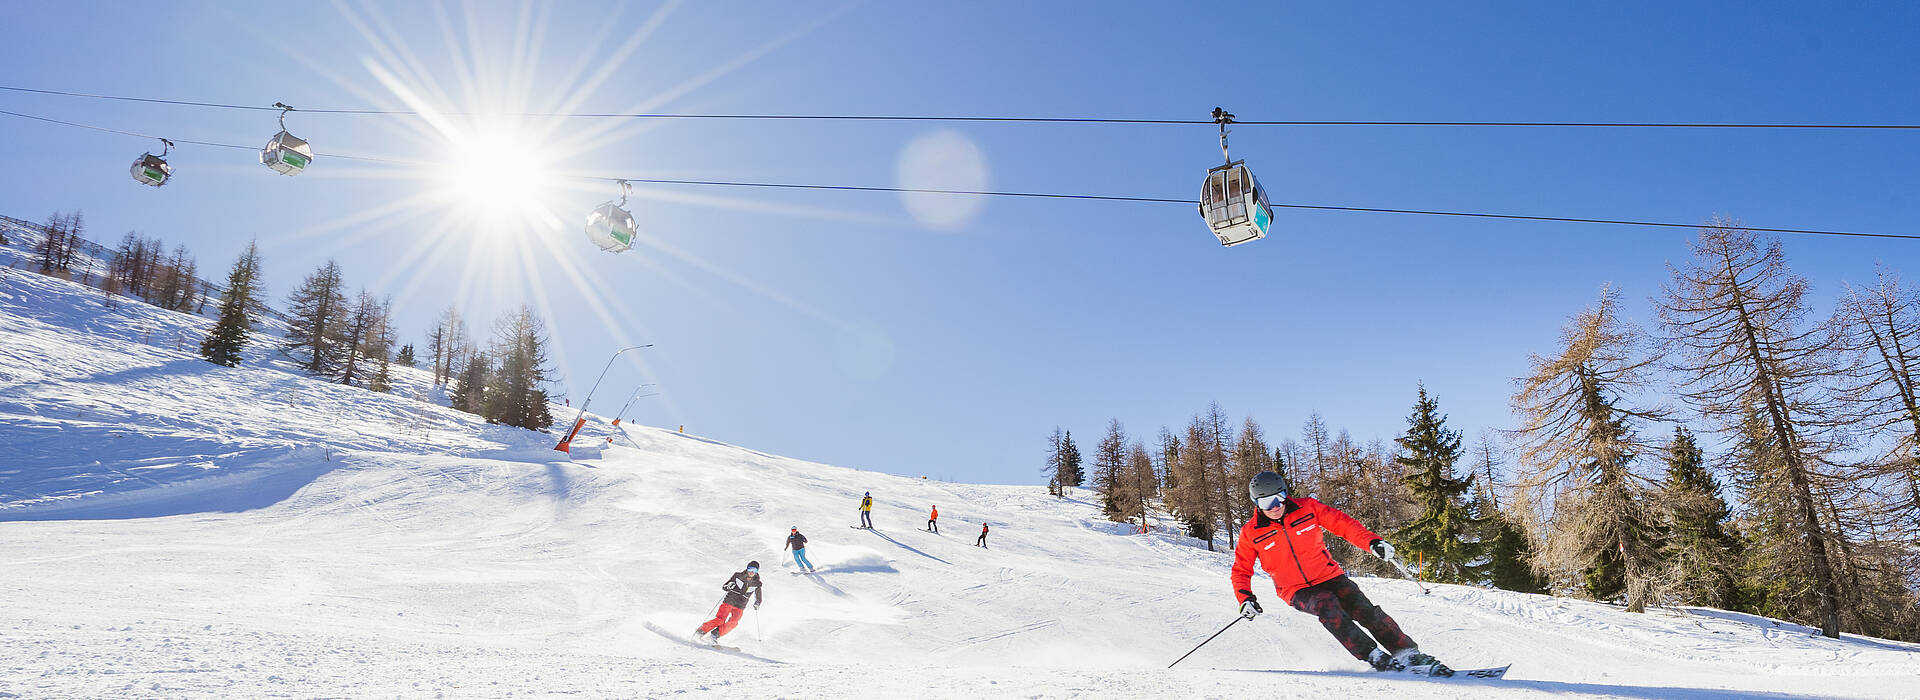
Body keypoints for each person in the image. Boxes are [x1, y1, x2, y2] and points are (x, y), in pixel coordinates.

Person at [1230, 471, 1449, 675]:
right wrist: (1245, 599)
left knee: (1364, 609)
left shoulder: (1308, 508)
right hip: (1295, 590)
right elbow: (1241, 569)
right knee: (1327, 606)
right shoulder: (1252, 533)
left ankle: (1408, 654)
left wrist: (1372, 542)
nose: (1275, 506)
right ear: (1257, 504)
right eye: (1267, 502)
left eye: (1279, 497)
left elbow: (1343, 524)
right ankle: (1373, 656)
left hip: (1329, 576)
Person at [694, 561, 763, 644]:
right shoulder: (738, 576)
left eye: (754, 570)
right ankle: (700, 631)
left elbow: (758, 597)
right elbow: (725, 586)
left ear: (757, 572)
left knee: (733, 623)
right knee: (720, 620)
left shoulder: (757, 584)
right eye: (750, 569)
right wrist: (729, 586)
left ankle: (715, 634)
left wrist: (757, 603)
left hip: (740, 606)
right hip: (729, 601)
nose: (752, 572)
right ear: (747, 568)